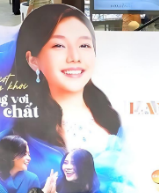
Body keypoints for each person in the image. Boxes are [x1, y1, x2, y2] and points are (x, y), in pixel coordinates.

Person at [10, 5, 120, 145]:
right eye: (59, 45)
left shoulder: (111, 114)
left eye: (84, 45)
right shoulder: (20, 128)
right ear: (33, 61)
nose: (74, 57)